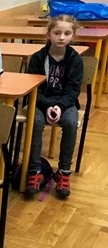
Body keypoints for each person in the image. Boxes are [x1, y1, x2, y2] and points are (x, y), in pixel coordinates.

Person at [25, 15, 83, 198]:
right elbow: (32, 88)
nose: (61, 37)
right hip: (40, 100)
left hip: (66, 103)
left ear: (73, 36)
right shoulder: (38, 58)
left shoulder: (75, 60)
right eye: (57, 33)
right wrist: (49, 105)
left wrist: (59, 106)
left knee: (70, 123)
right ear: (48, 34)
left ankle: (64, 171)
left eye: (67, 33)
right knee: (35, 122)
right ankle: (34, 170)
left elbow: (73, 90)